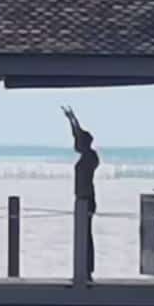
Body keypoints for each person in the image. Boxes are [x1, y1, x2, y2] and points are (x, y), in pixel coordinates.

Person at [63, 106, 99, 280]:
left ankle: (87, 271)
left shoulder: (91, 157)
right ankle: (84, 270)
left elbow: (78, 137)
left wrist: (75, 122)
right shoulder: (87, 155)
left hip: (86, 199)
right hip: (81, 199)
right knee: (83, 235)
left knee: (86, 236)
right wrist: (72, 120)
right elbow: (77, 136)